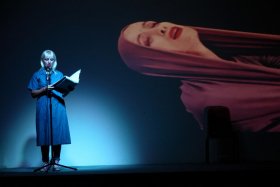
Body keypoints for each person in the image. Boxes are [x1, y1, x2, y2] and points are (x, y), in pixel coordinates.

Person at [118, 21, 280, 132]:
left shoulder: (238, 57)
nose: (161, 29)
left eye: (152, 24)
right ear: (155, 61)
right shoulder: (201, 97)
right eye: (147, 40)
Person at [28, 50, 71, 171]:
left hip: (57, 107)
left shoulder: (59, 74)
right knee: (44, 134)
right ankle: (45, 162)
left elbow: (63, 93)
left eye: (51, 59)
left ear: (54, 61)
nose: (49, 62)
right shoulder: (37, 75)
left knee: (57, 134)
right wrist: (45, 89)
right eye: (47, 59)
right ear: (42, 60)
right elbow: (32, 93)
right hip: (43, 108)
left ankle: (56, 161)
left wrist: (69, 88)